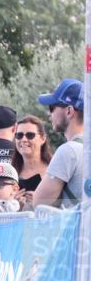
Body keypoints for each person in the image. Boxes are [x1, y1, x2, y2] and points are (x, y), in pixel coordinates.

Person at [34, 78, 86, 208]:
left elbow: (39, 203)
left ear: (69, 111)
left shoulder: (69, 151)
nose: (49, 114)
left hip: (77, 228)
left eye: (52, 108)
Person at [9, 115, 52, 210]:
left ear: (43, 139)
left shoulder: (54, 170)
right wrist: (13, 205)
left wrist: (41, 203)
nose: (24, 140)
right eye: (19, 135)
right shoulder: (10, 173)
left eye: (30, 135)